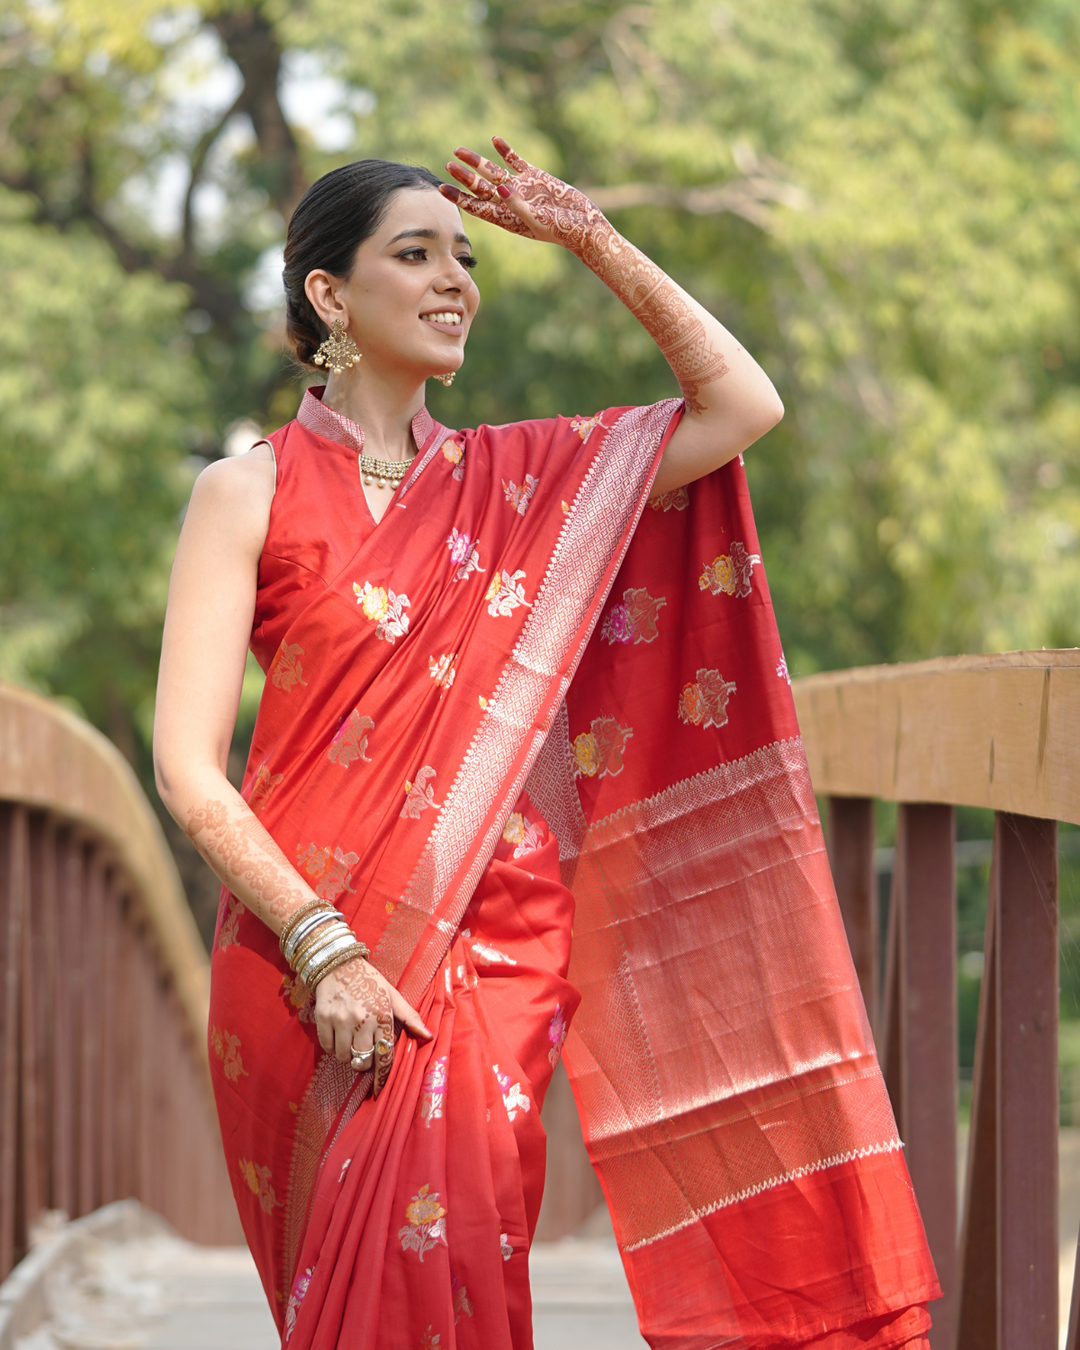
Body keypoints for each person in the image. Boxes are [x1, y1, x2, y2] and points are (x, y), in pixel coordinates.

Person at [153, 140, 938, 1350]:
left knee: (461, 1261)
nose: (456, 278)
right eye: (414, 255)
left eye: (464, 256)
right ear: (329, 294)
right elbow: (187, 770)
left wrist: (591, 238)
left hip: (487, 947)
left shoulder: (522, 485)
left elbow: (742, 406)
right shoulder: (245, 493)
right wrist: (327, 949)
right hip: (302, 952)